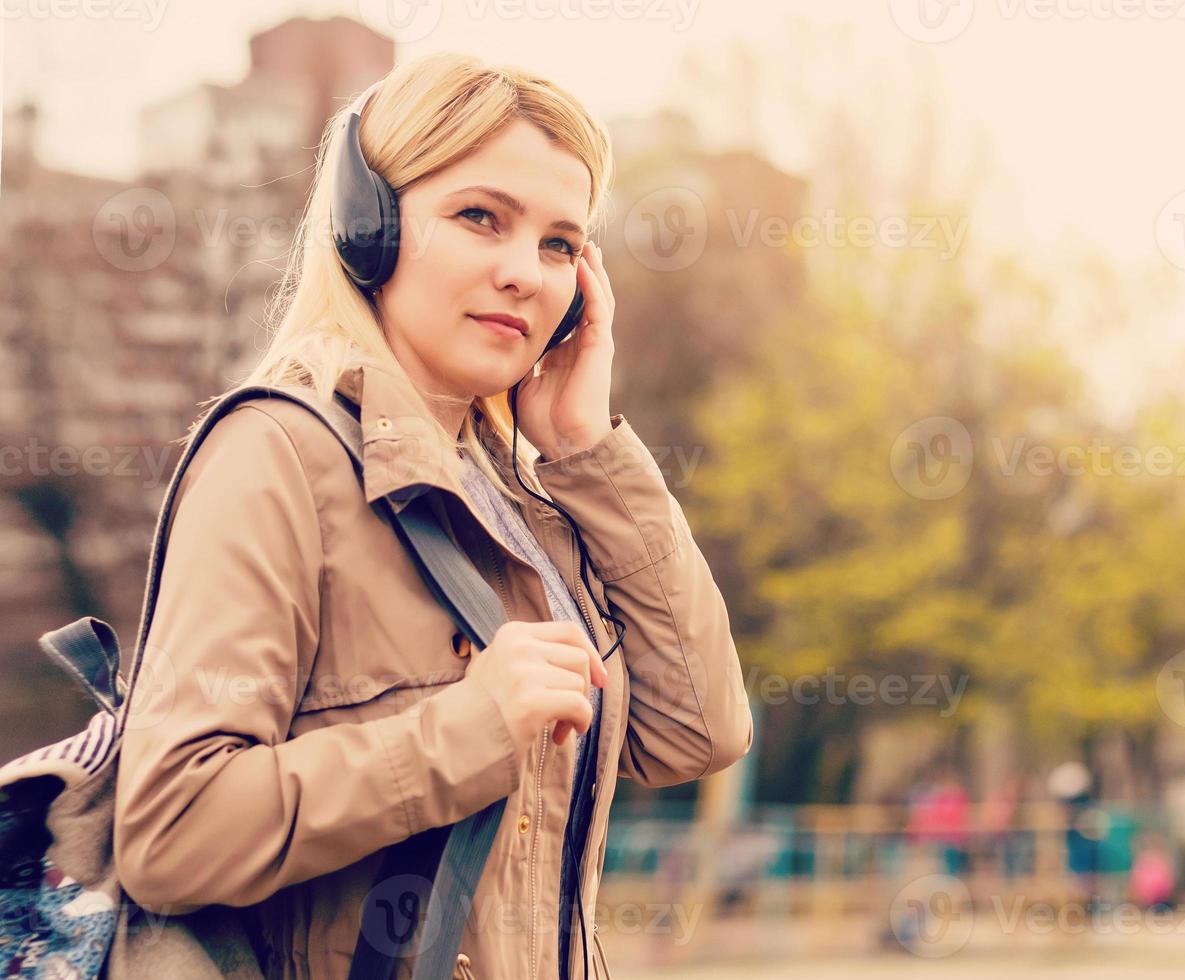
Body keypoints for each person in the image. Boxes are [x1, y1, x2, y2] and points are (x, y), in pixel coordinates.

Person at [112, 52, 753, 980]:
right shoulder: (276, 457)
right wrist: (469, 732)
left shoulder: (530, 503)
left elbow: (698, 728)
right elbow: (171, 833)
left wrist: (588, 452)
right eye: (479, 217)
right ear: (370, 230)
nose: (525, 274)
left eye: (560, 244)